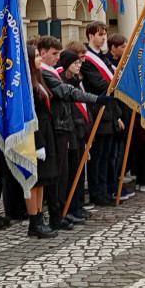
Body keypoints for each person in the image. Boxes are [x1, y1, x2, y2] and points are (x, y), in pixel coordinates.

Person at [38, 36, 103, 228]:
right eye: (54, 54)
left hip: (63, 126)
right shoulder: (45, 72)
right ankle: (57, 215)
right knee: (59, 175)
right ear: (42, 54)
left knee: (65, 174)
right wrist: (94, 98)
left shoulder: (50, 71)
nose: (57, 58)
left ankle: (64, 211)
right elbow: (65, 91)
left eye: (58, 53)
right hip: (58, 127)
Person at [81, 22, 121, 207]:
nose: (103, 38)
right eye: (100, 34)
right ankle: (97, 193)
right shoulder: (87, 59)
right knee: (97, 157)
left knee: (107, 155)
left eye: (105, 34)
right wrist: (118, 85)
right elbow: (98, 84)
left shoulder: (104, 58)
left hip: (110, 111)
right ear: (90, 35)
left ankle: (105, 191)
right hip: (97, 111)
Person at [27, 46, 57, 239]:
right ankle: (34, 222)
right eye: (36, 56)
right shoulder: (26, 83)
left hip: (46, 128)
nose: (40, 58)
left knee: (42, 179)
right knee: (32, 180)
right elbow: (30, 115)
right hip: (35, 132)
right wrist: (37, 142)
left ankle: (39, 216)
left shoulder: (38, 78)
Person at [59, 49, 93, 217]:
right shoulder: (63, 82)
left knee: (81, 171)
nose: (79, 65)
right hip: (71, 131)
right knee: (72, 172)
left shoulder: (77, 81)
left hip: (81, 129)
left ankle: (79, 205)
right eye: (75, 63)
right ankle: (70, 207)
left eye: (79, 62)